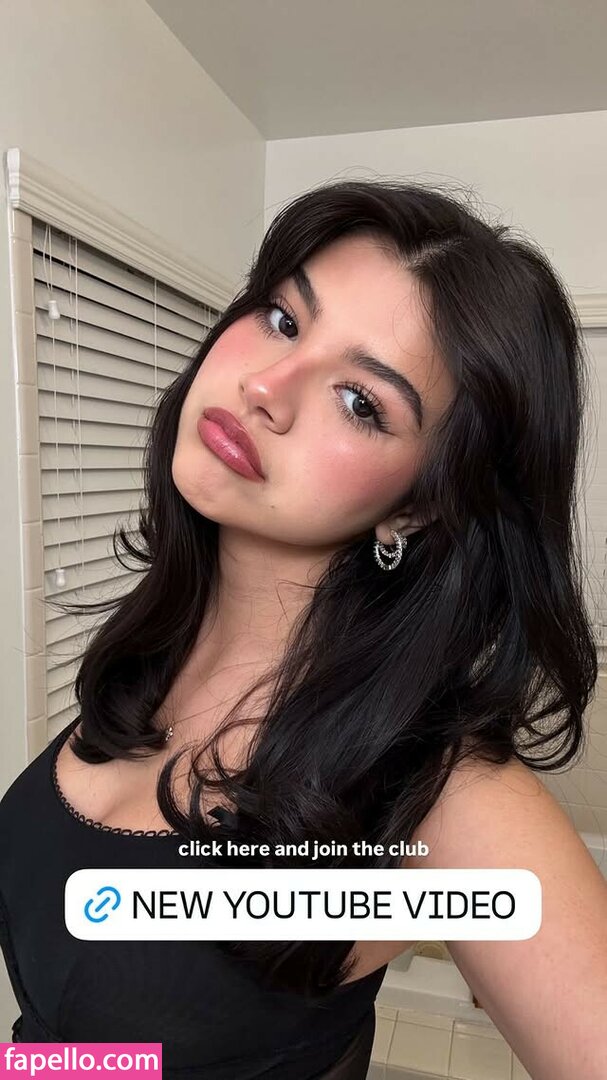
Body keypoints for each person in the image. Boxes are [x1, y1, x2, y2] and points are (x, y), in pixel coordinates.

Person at [1, 177, 606, 1079]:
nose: (265, 386)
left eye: (361, 401)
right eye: (283, 320)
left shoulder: (437, 791)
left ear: (420, 505)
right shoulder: (147, 658)